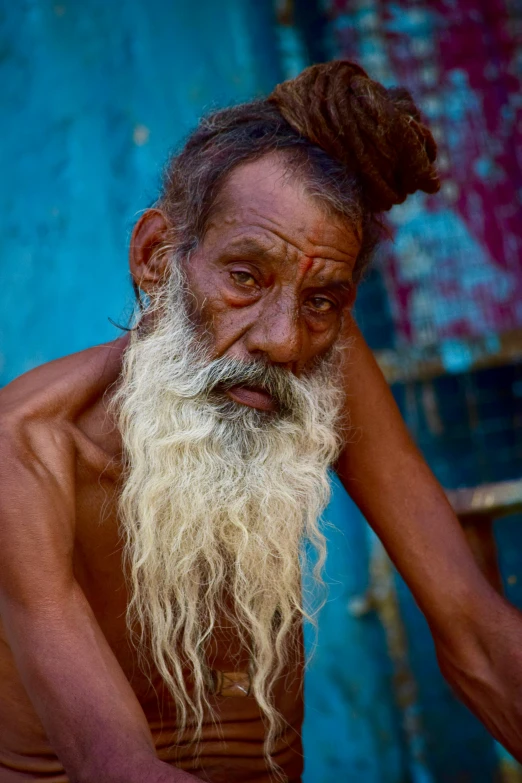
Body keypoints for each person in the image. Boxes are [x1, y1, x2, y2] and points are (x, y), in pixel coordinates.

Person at [0, 60, 521, 783]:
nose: (282, 338)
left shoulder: (321, 352)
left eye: (322, 300)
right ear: (157, 258)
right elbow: (112, 764)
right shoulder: (24, 454)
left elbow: (479, 638)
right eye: (244, 277)